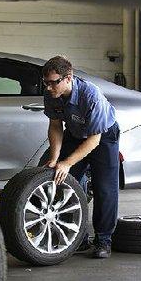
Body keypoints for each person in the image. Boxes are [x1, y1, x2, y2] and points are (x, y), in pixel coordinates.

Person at [41, 56, 120, 259]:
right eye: (46, 82)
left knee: (105, 188)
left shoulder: (90, 95)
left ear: (68, 78)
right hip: (75, 134)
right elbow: (56, 125)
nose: (49, 87)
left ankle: (103, 240)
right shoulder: (51, 94)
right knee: (65, 181)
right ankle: (78, 238)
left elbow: (94, 141)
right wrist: (56, 158)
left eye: (53, 82)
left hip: (102, 136)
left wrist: (67, 162)